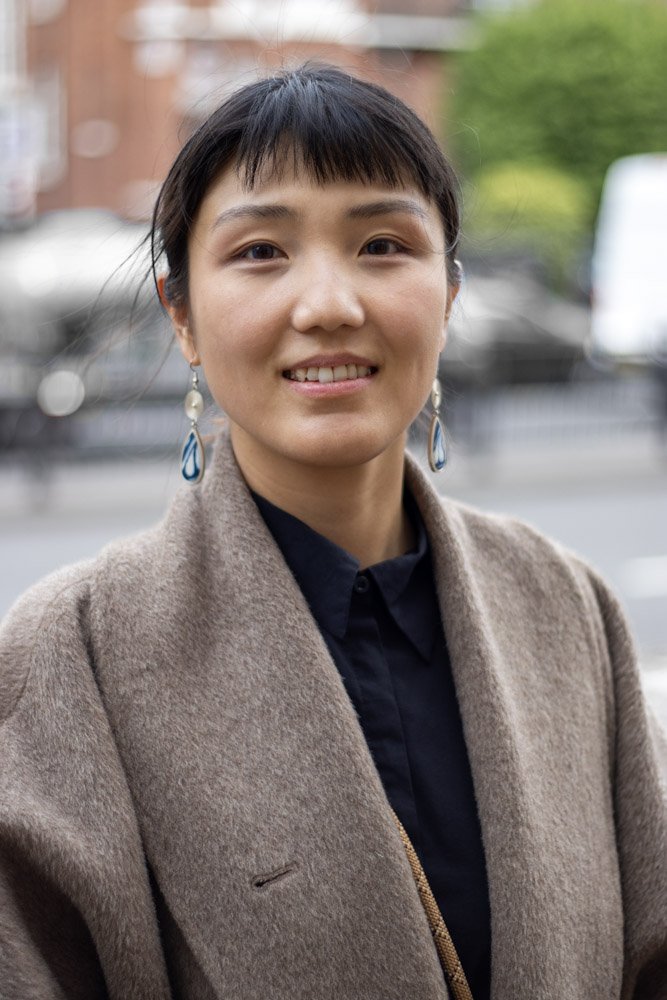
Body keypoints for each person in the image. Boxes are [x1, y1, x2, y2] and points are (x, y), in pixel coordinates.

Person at [0, 65, 665, 1000]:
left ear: (449, 292)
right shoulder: (71, 654)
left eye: (383, 244)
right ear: (180, 314)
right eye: (261, 252)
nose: (327, 306)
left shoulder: (565, 605)